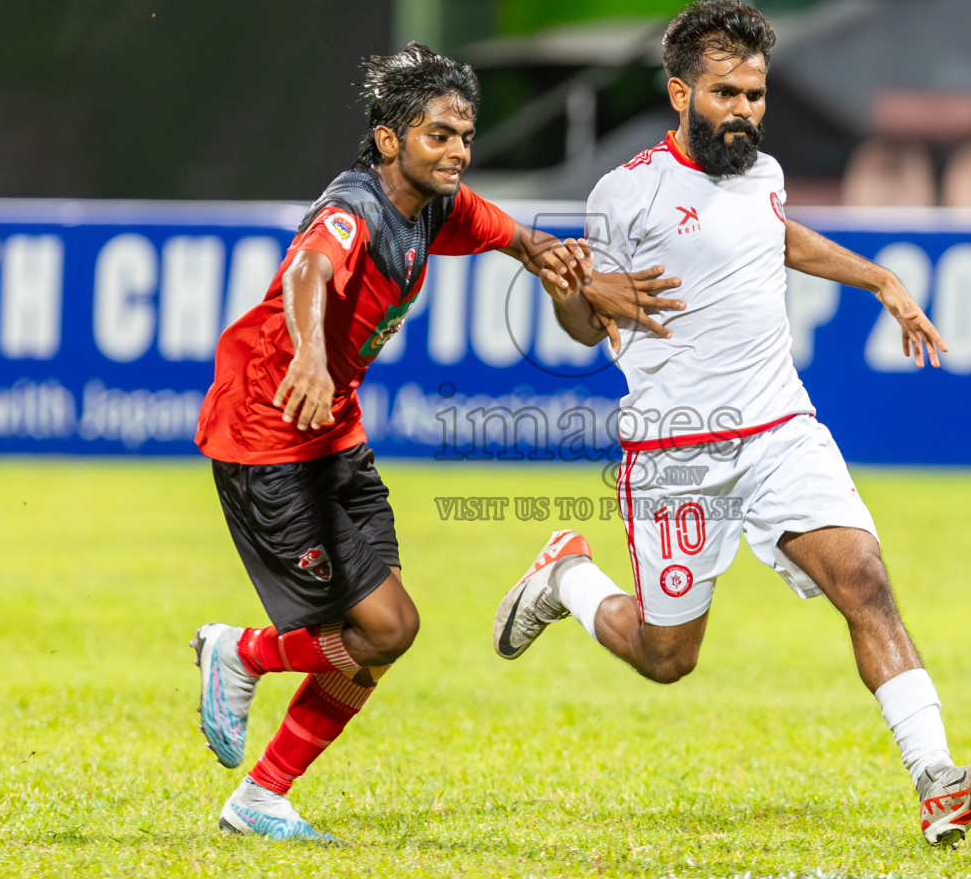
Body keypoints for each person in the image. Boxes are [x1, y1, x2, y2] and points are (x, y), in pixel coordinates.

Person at [492, 0, 971, 847]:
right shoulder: (627, 193)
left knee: (865, 582)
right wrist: (577, 291)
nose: (744, 112)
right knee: (668, 659)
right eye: (726, 94)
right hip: (674, 454)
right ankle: (567, 578)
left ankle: (936, 780)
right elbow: (586, 328)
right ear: (678, 93)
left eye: (756, 94)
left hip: (780, 428)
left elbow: (777, 238)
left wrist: (879, 279)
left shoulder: (762, 176)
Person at [190, 42, 679, 841]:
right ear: (389, 140)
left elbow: (526, 243)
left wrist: (580, 273)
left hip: (332, 432)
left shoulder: (437, 209)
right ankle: (241, 655)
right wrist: (310, 354)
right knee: (382, 629)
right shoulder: (356, 207)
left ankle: (263, 795)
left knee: (387, 635)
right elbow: (308, 270)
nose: (457, 151)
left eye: (464, 135)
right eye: (437, 135)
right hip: (267, 431)